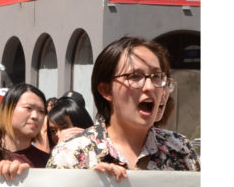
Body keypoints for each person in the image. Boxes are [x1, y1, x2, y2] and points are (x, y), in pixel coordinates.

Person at [47, 36, 200, 179]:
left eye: (156, 76)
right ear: (106, 90)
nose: (149, 87)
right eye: (135, 77)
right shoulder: (71, 155)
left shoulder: (180, 148)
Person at [0, 83, 50, 168]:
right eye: (28, 108)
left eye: (41, 111)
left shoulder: (47, 163)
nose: (35, 116)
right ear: (8, 108)